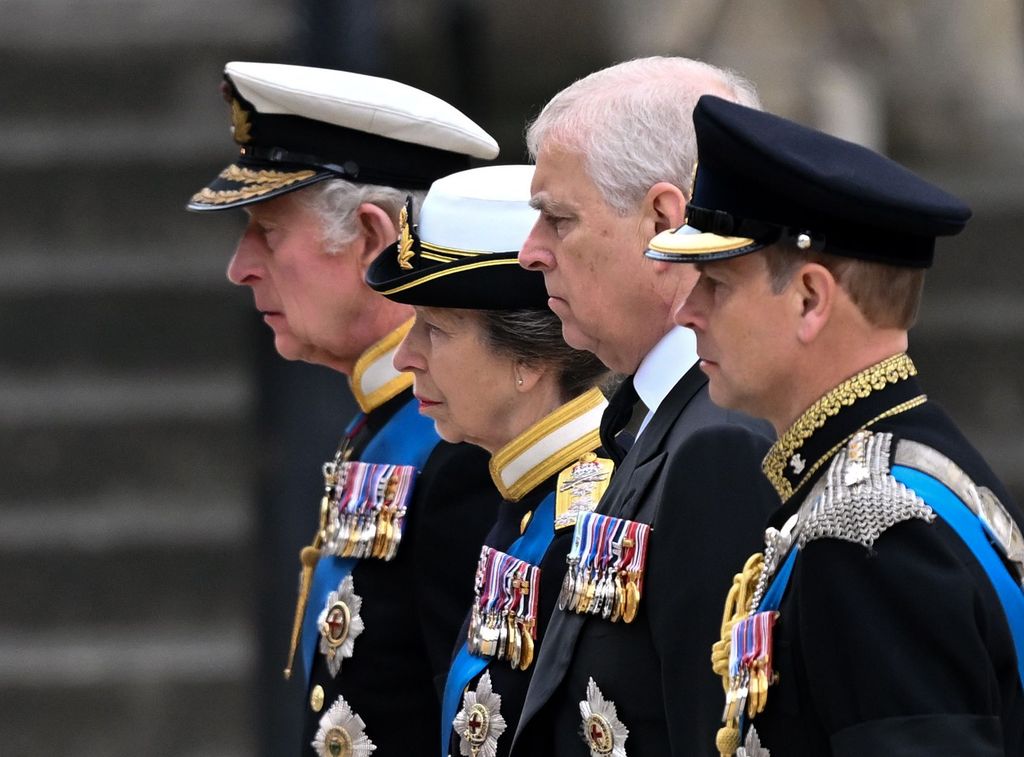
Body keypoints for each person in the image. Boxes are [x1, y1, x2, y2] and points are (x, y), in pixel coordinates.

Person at [652, 94, 1024, 756]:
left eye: (716, 283)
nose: (687, 311)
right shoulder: (904, 467)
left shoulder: (869, 533)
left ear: (810, 299)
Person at [187, 61, 502, 757]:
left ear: (372, 237)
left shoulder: (463, 444)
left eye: (266, 233)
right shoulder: (389, 424)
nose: (240, 266)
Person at [513, 57, 778, 756]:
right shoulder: (655, 418)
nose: (530, 252)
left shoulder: (720, 442)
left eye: (558, 219)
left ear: (665, 221)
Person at [366, 163, 611, 757]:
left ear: (528, 359)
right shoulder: (523, 500)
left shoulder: (589, 521)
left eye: (436, 329)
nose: (404, 357)